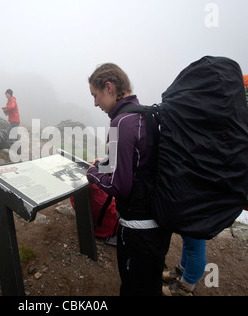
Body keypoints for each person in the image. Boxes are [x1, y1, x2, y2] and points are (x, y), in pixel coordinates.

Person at [86, 63, 172, 296]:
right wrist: (105, 163)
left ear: (109, 87)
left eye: (96, 95)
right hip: (159, 222)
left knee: (133, 288)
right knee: (150, 285)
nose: (95, 103)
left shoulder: (120, 123)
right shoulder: (147, 114)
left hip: (137, 229)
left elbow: (120, 187)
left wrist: (93, 173)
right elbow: (141, 162)